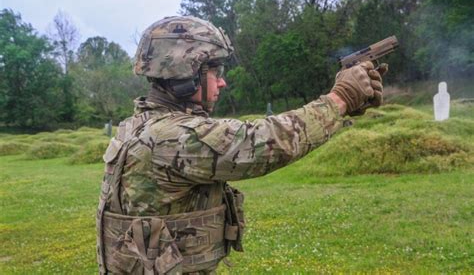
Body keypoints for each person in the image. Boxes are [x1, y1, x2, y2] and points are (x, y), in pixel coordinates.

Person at [96, 16, 387, 274]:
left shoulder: (142, 126)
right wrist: (340, 99)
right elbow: (263, 142)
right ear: (188, 73)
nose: (222, 83)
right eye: (215, 72)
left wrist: (341, 107)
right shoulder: (170, 137)